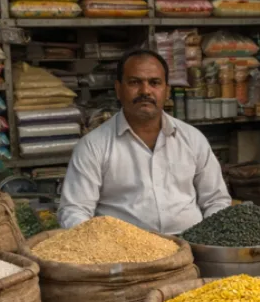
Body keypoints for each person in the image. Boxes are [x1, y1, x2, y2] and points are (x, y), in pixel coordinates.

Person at [58, 49, 232, 234]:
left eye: (154, 83)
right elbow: (74, 211)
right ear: (118, 89)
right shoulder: (93, 146)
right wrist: (98, 245)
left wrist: (208, 238)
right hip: (122, 248)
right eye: (134, 82)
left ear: (167, 91)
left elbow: (216, 200)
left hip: (190, 243)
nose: (145, 91)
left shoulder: (192, 139)